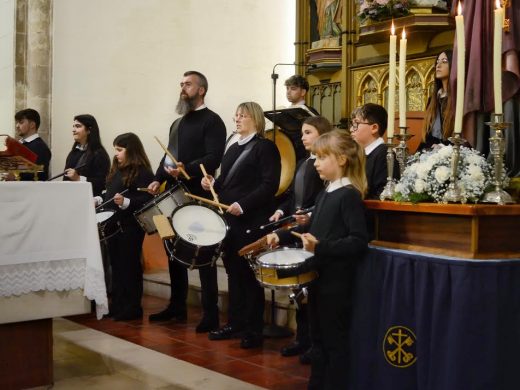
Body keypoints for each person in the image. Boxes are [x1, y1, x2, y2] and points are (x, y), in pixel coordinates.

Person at [267, 130, 368, 389]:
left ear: (342, 159)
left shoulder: (348, 195)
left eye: (322, 157)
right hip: (319, 278)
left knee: (334, 343)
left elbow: (358, 241)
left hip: (336, 283)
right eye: (315, 157)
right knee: (318, 340)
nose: (316, 163)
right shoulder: (327, 192)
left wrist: (321, 247)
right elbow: (315, 228)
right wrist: (281, 235)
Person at [147, 71, 226, 333]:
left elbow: (214, 157)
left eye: (188, 84)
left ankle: (210, 314)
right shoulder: (177, 123)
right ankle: (177, 306)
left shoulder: (212, 121)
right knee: (171, 249)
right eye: (181, 84)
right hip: (173, 195)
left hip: (198, 195)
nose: (183, 88)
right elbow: (167, 157)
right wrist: (158, 179)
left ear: (201, 90)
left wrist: (187, 168)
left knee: (203, 256)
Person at [202, 102, 281, 349]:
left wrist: (243, 204)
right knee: (233, 274)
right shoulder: (232, 147)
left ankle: (253, 329)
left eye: (242, 116)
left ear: (255, 120)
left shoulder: (265, 148)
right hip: (230, 220)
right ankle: (235, 323)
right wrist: (212, 183)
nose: (236, 119)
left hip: (251, 221)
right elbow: (226, 182)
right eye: (236, 115)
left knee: (249, 277)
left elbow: (269, 185)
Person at [269, 115, 333, 363]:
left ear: (322, 135)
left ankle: (313, 342)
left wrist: (305, 216)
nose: (303, 137)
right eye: (303, 133)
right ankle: (302, 338)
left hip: (312, 230)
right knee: (300, 291)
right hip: (296, 227)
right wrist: (282, 210)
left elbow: (318, 201)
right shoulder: (305, 162)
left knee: (309, 290)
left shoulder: (324, 166)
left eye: (308, 133)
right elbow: (292, 196)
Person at [94, 133, 154, 321]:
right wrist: (98, 199)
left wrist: (126, 201)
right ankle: (118, 305)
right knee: (116, 266)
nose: (117, 154)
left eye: (120, 150)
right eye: (116, 150)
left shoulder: (143, 171)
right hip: (113, 224)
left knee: (130, 266)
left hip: (130, 226)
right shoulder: (117, 168)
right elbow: (109, 193)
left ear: (132, 150)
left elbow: (146, 199)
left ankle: (132, 307)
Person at [350, 103, 397, 200]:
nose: (351, 129)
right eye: (352, 124)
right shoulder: (359, 153)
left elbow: (382, 195)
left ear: (374, 128)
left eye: (356, 124)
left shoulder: (385, 155)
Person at [63, 114, 110, 197]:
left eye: (78, 126)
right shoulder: (73, 152)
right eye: (73, 126)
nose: (73, 130)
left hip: (90, 200)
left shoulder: (99, 154)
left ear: (89, 130)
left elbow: (101, 183)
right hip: (70, 197)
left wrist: (78, 179)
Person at [419, 50, 455, 150]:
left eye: (444, 61)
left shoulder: (459, 99)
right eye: (437, 62)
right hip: (432, 150)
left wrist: (443, 147)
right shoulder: (433, 100)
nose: (438, 65)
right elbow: (427, 135)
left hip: (453, 151)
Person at [284, 75, 320, 161]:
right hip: (286, 153)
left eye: (293, 89)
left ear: (303, 92)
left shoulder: (308, 111)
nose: (288, 92)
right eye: (287, 88)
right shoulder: (284, 111)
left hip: (302, 156)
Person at [14, 108, 51, 180]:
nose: (17, 126)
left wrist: (15, 176)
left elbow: (39, 174)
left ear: (32, 125)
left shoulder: (41, 148)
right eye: (17, 122)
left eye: (21, 122)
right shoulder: (18, 144)